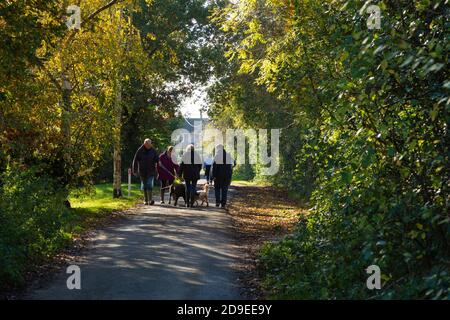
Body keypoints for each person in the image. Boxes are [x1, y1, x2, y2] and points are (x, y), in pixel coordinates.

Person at [132, 138, 159, 205]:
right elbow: (135, 160)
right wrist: (134, 170)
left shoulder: (153, 150)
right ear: (145, 144)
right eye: (148, 144)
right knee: (145, 185)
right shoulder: (140, 150)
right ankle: (146, 200)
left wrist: (159, 162)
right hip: (142, 171)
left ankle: (150, 200)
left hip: (151, 171)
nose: (149, 146)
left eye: (150, 144)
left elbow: (157, 159)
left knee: (149, 184)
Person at [211, 144, 235, 208]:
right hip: (226, 176)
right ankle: (223, 204)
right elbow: (234, 163)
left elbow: (214, 167)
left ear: (218, 149)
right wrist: (230, 170)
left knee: (217, 189)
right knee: (224, 190)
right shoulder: (228, 156)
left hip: (218, 176)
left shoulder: (217, 156)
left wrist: (213, 176)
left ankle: (217, 202)